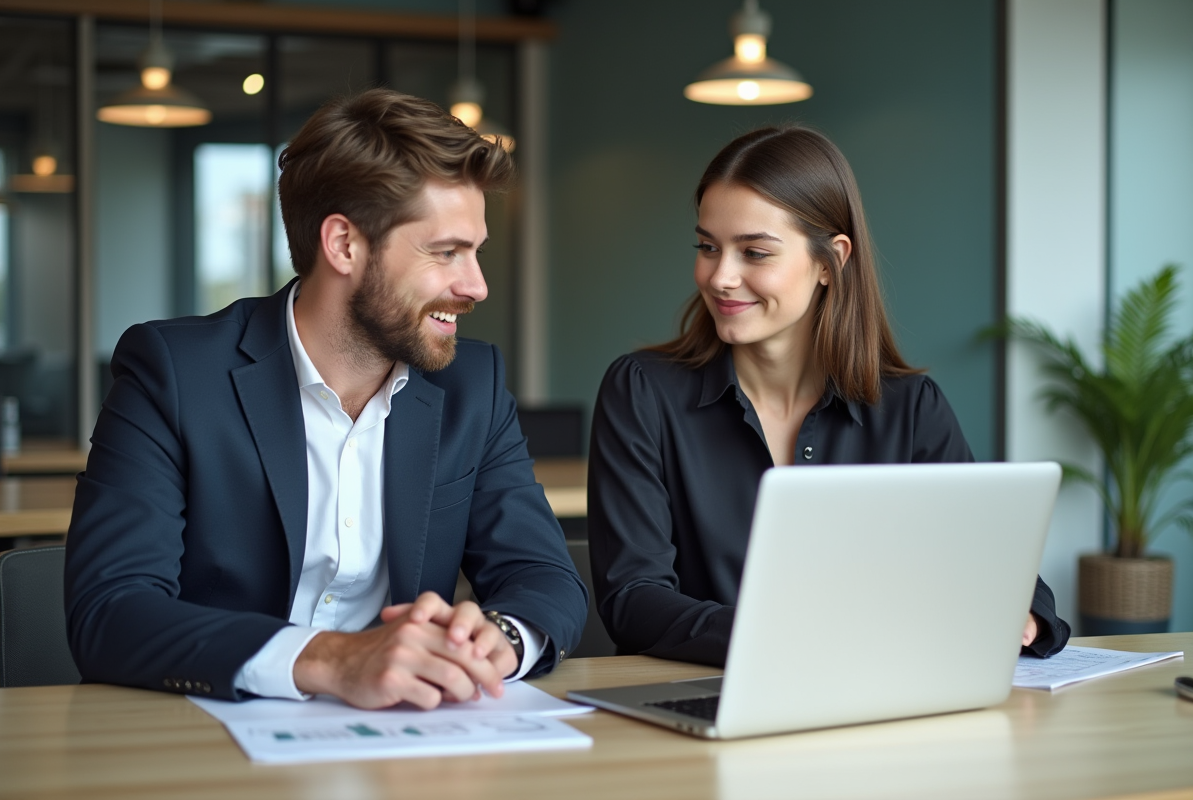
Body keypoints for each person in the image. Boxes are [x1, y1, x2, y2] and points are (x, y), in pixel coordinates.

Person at [65, 89, 587, 708]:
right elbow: (111, 611)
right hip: (211, 737)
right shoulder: (174, 373)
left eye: (475, 253)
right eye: (446, 253)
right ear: (344, 245)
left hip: (408, 741)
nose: (476, 285)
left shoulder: (470, 383)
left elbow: (544, 577)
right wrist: (333, 661)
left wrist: (499, 637)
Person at [587, 126, 1070, 667]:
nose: (721, 276)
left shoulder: (911, 408)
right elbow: (632, 600)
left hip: (874, 705)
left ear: (829, 261)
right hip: (700, 702)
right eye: (707, 247)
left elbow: (1001, 570)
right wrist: (791, 639)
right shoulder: (642, 392)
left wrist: (1018, 611)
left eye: (754, 252)